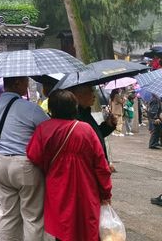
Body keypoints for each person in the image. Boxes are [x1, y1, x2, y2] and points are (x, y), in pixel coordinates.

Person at [27, 90, 112, 241]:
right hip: (87, 189)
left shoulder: (43, 129)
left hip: (57, 187)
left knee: (63, 228)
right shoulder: (86, 129)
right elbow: (101, 166)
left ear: (51, 109)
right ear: (74, 107)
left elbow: (34, 155)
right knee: (87, 227)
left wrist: (50, 167)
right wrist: (106, 193)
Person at [0, 76, 49, 240]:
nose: (28, 84)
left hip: (1, 162)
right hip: (25, 164)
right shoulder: (30, 108)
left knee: (7, 213)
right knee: (33, 216)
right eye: (26, 81)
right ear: (17, 83)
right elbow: (49, 131)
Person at [67, 84, 117, 162]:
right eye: (91, 92)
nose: (94, 96)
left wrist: (108, 125)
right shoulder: (75, 117)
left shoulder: (85, 113)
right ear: (79, 96)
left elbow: (95, 135)